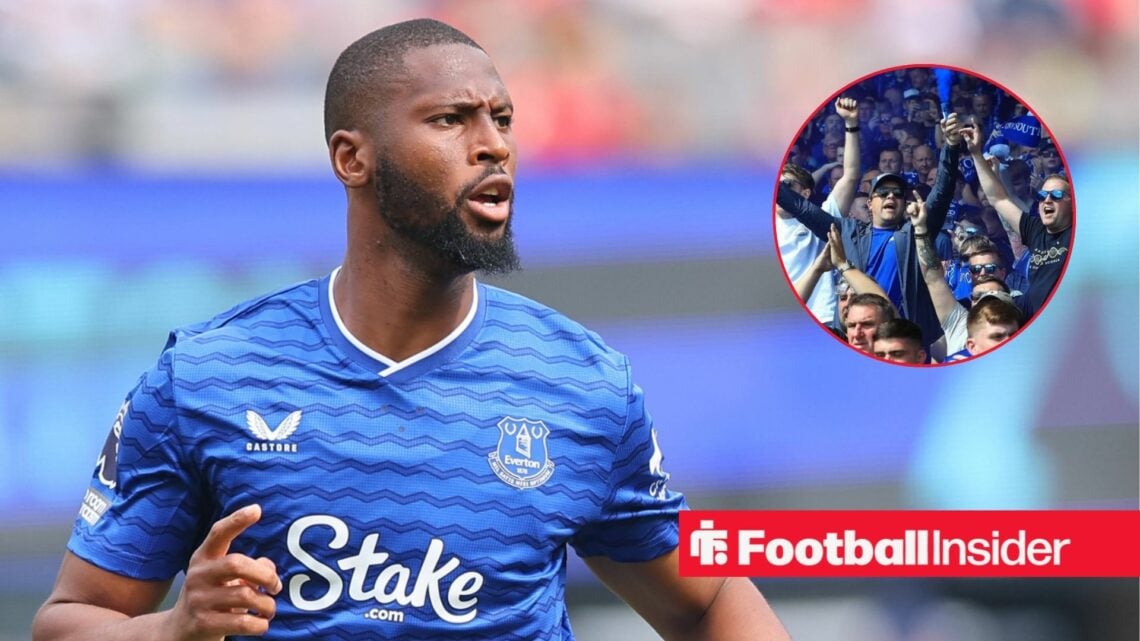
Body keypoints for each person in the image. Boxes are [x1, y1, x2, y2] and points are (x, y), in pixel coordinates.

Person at [32, 19, 789, 641]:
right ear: (351, 158)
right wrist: (172, 630)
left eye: (502, 119)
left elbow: (710, 600)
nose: (492, 144)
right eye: (450, 119)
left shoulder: (583, 385)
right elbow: (69, 621)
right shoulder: (209, 375)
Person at [963, 124, 1072, 318]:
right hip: (1030, 316)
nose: (1047, 200)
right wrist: (976, 154)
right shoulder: (1035, 229)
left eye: (1056, 195)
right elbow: (999, 199)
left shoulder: (1078, 234)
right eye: (1042, 195)